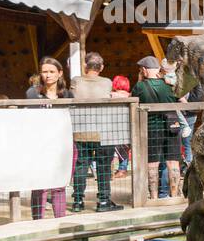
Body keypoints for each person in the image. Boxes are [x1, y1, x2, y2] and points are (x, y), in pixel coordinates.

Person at [70, 52, 123, 212]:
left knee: (81, 165)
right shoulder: (107, 82)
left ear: (85, 66)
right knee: (104, 166)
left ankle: (78, 201)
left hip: (81, 130)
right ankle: (104, 201)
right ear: (101, 67)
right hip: (104, 130)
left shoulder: (76, 81)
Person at [25, 57, 73, 219]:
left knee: (59, 184)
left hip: (62, 144)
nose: (48, 75)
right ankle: (38, 221)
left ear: (60, 73)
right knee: (40, 185)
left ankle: (60, 220)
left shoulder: (67, 94)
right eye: (44, 72)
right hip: (40, 145)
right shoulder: (32, 94)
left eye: (52, 72)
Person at [132, 55, 182, 199]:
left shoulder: (140, 86)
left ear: (144, 70)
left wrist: (140, 80)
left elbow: (133, 100)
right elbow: (182, 99)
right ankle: (174, 196)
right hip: (173, 126)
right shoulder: (170, 84)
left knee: (152, 164)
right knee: (173, 163)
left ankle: (153, 197)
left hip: (152, 129)